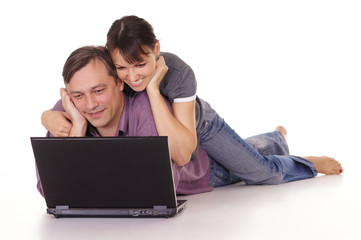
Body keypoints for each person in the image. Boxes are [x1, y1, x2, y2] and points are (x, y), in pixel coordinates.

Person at [41, 16, 343, 187]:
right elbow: (79, 97)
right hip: (179, 148)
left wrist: (154, 91)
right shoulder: (97, 81)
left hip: (199, 126)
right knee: (237, 163)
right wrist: (49, 116)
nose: (133, 77)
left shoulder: (176, 73)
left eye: (140, 66)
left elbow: (183, 152)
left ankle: (306, 163)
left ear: (155, 50)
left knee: (261, 172)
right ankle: (275, 137)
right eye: (123, 68)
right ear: (114, 66)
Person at [37, 46, 213, 196]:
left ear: (120, 83)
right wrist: (78, 129)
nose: (90, 105)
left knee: (241, 163)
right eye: (78, 95)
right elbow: (51, 191)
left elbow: (154, 189)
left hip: (205, 169)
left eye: (98, 91)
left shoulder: (146, 108)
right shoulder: (66, 113)